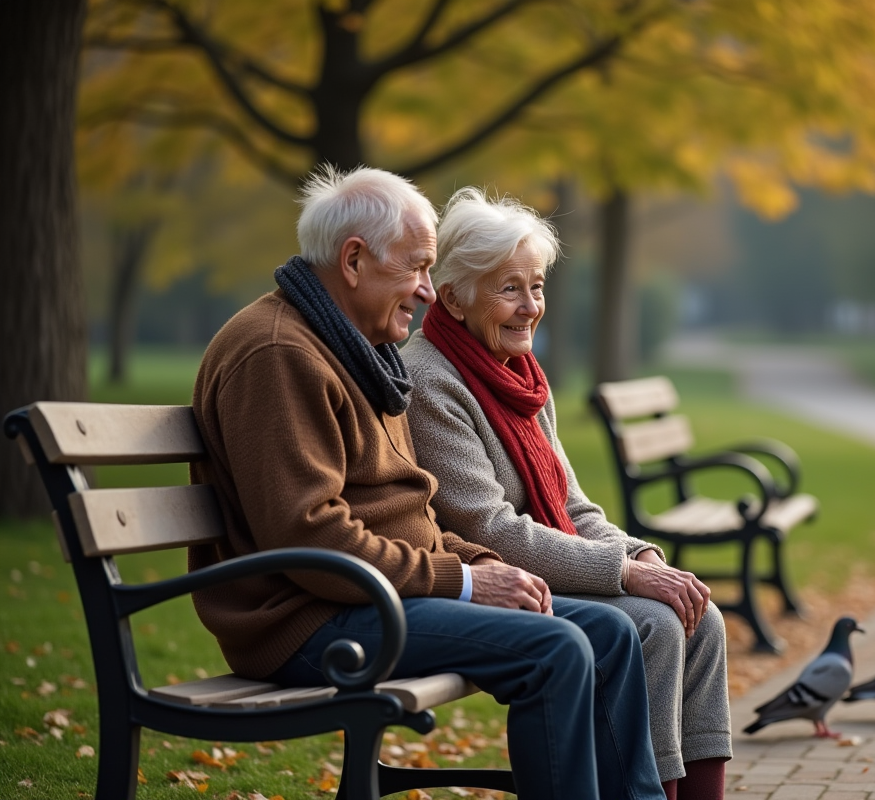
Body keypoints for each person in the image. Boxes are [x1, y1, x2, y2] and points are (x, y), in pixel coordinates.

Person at [187, 165, 665, 800]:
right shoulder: (279, 353)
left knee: (609, 631)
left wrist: (489, 567)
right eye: (415, 269)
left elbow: (411, 513)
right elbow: (310, 535)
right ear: (353, 260)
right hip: (309, 621)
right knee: (556, 648)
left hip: (370, 598)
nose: (427, 291)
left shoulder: (353, 347)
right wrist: (466, 580)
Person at [402, 187, 732, 800]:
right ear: (452, 296)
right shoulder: (431, 379)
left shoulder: (521, 377)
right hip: (490, 578)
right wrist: (626, 577)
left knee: (701, 618)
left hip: (547, 566)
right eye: (509, 288)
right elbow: (490, 530)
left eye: (537, 286)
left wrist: (640, 556)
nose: (530, 307)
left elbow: (574, 507)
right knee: (656, 624)